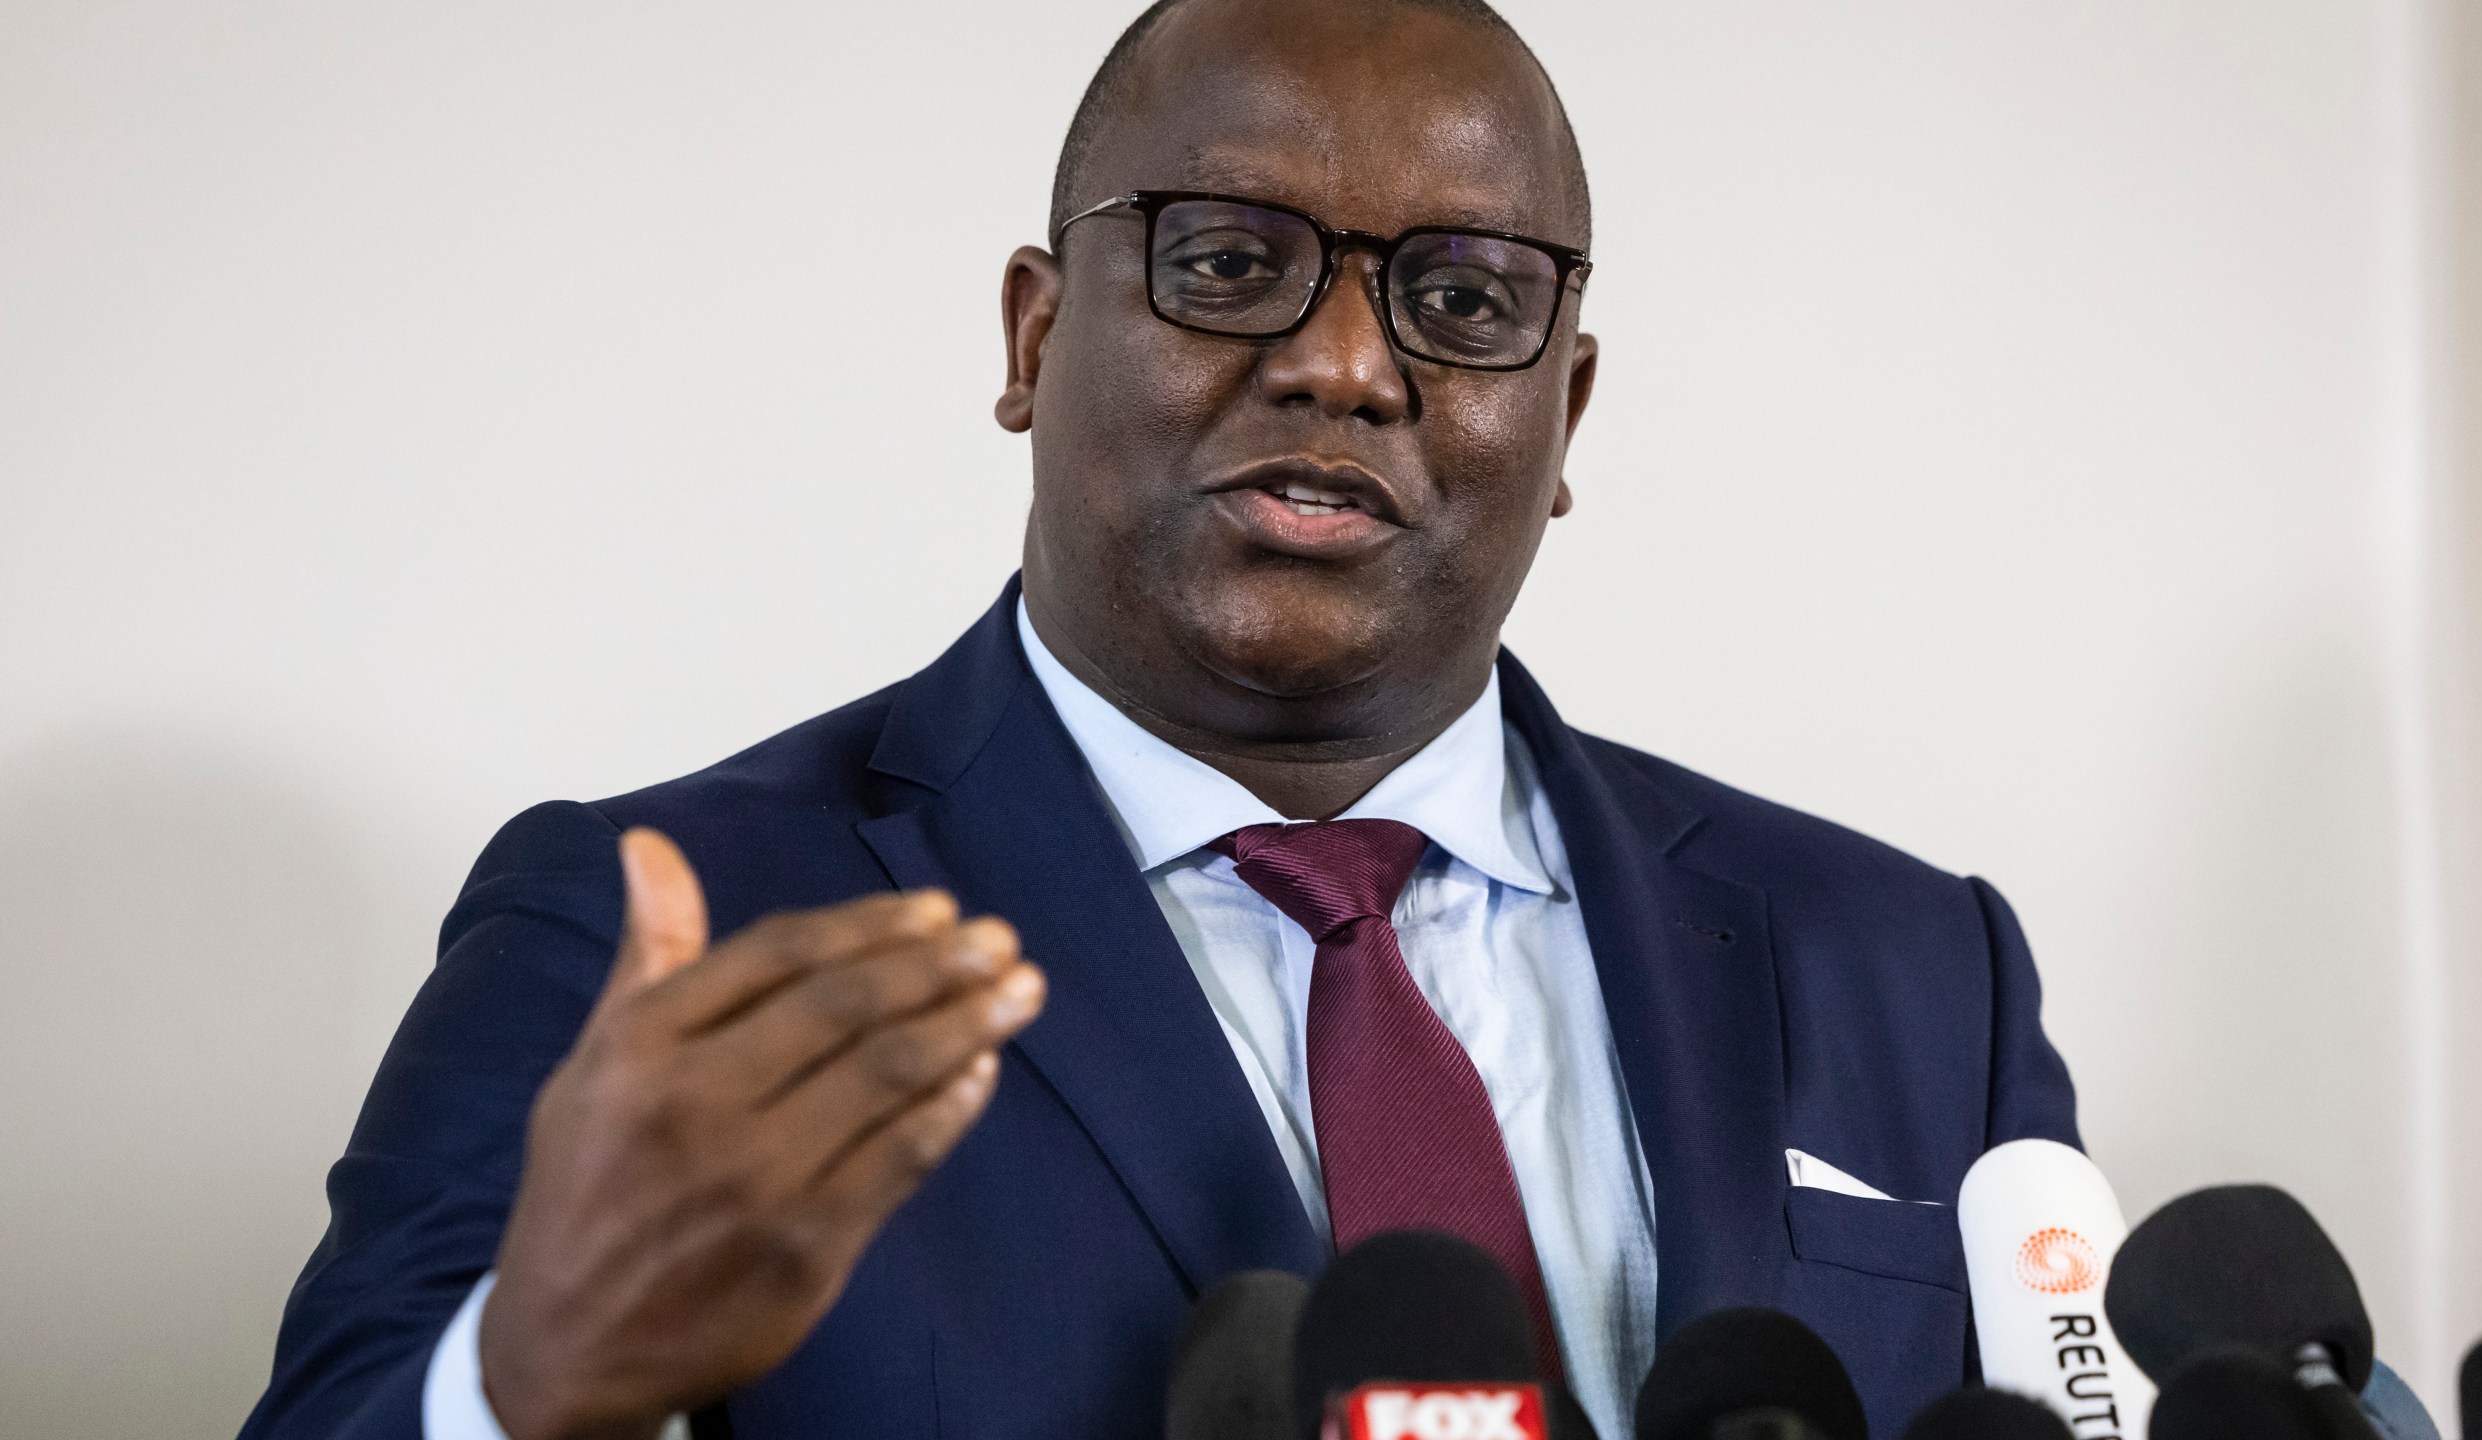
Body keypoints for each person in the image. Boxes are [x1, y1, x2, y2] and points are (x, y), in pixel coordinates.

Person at [241, 2, 2078, 1438]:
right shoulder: (668, 930)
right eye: (1224, 261)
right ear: (1035, 340)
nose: (1348, 365)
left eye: (1461, 300)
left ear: (1567, 413)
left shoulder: (1921, 970)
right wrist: (525, 1382)